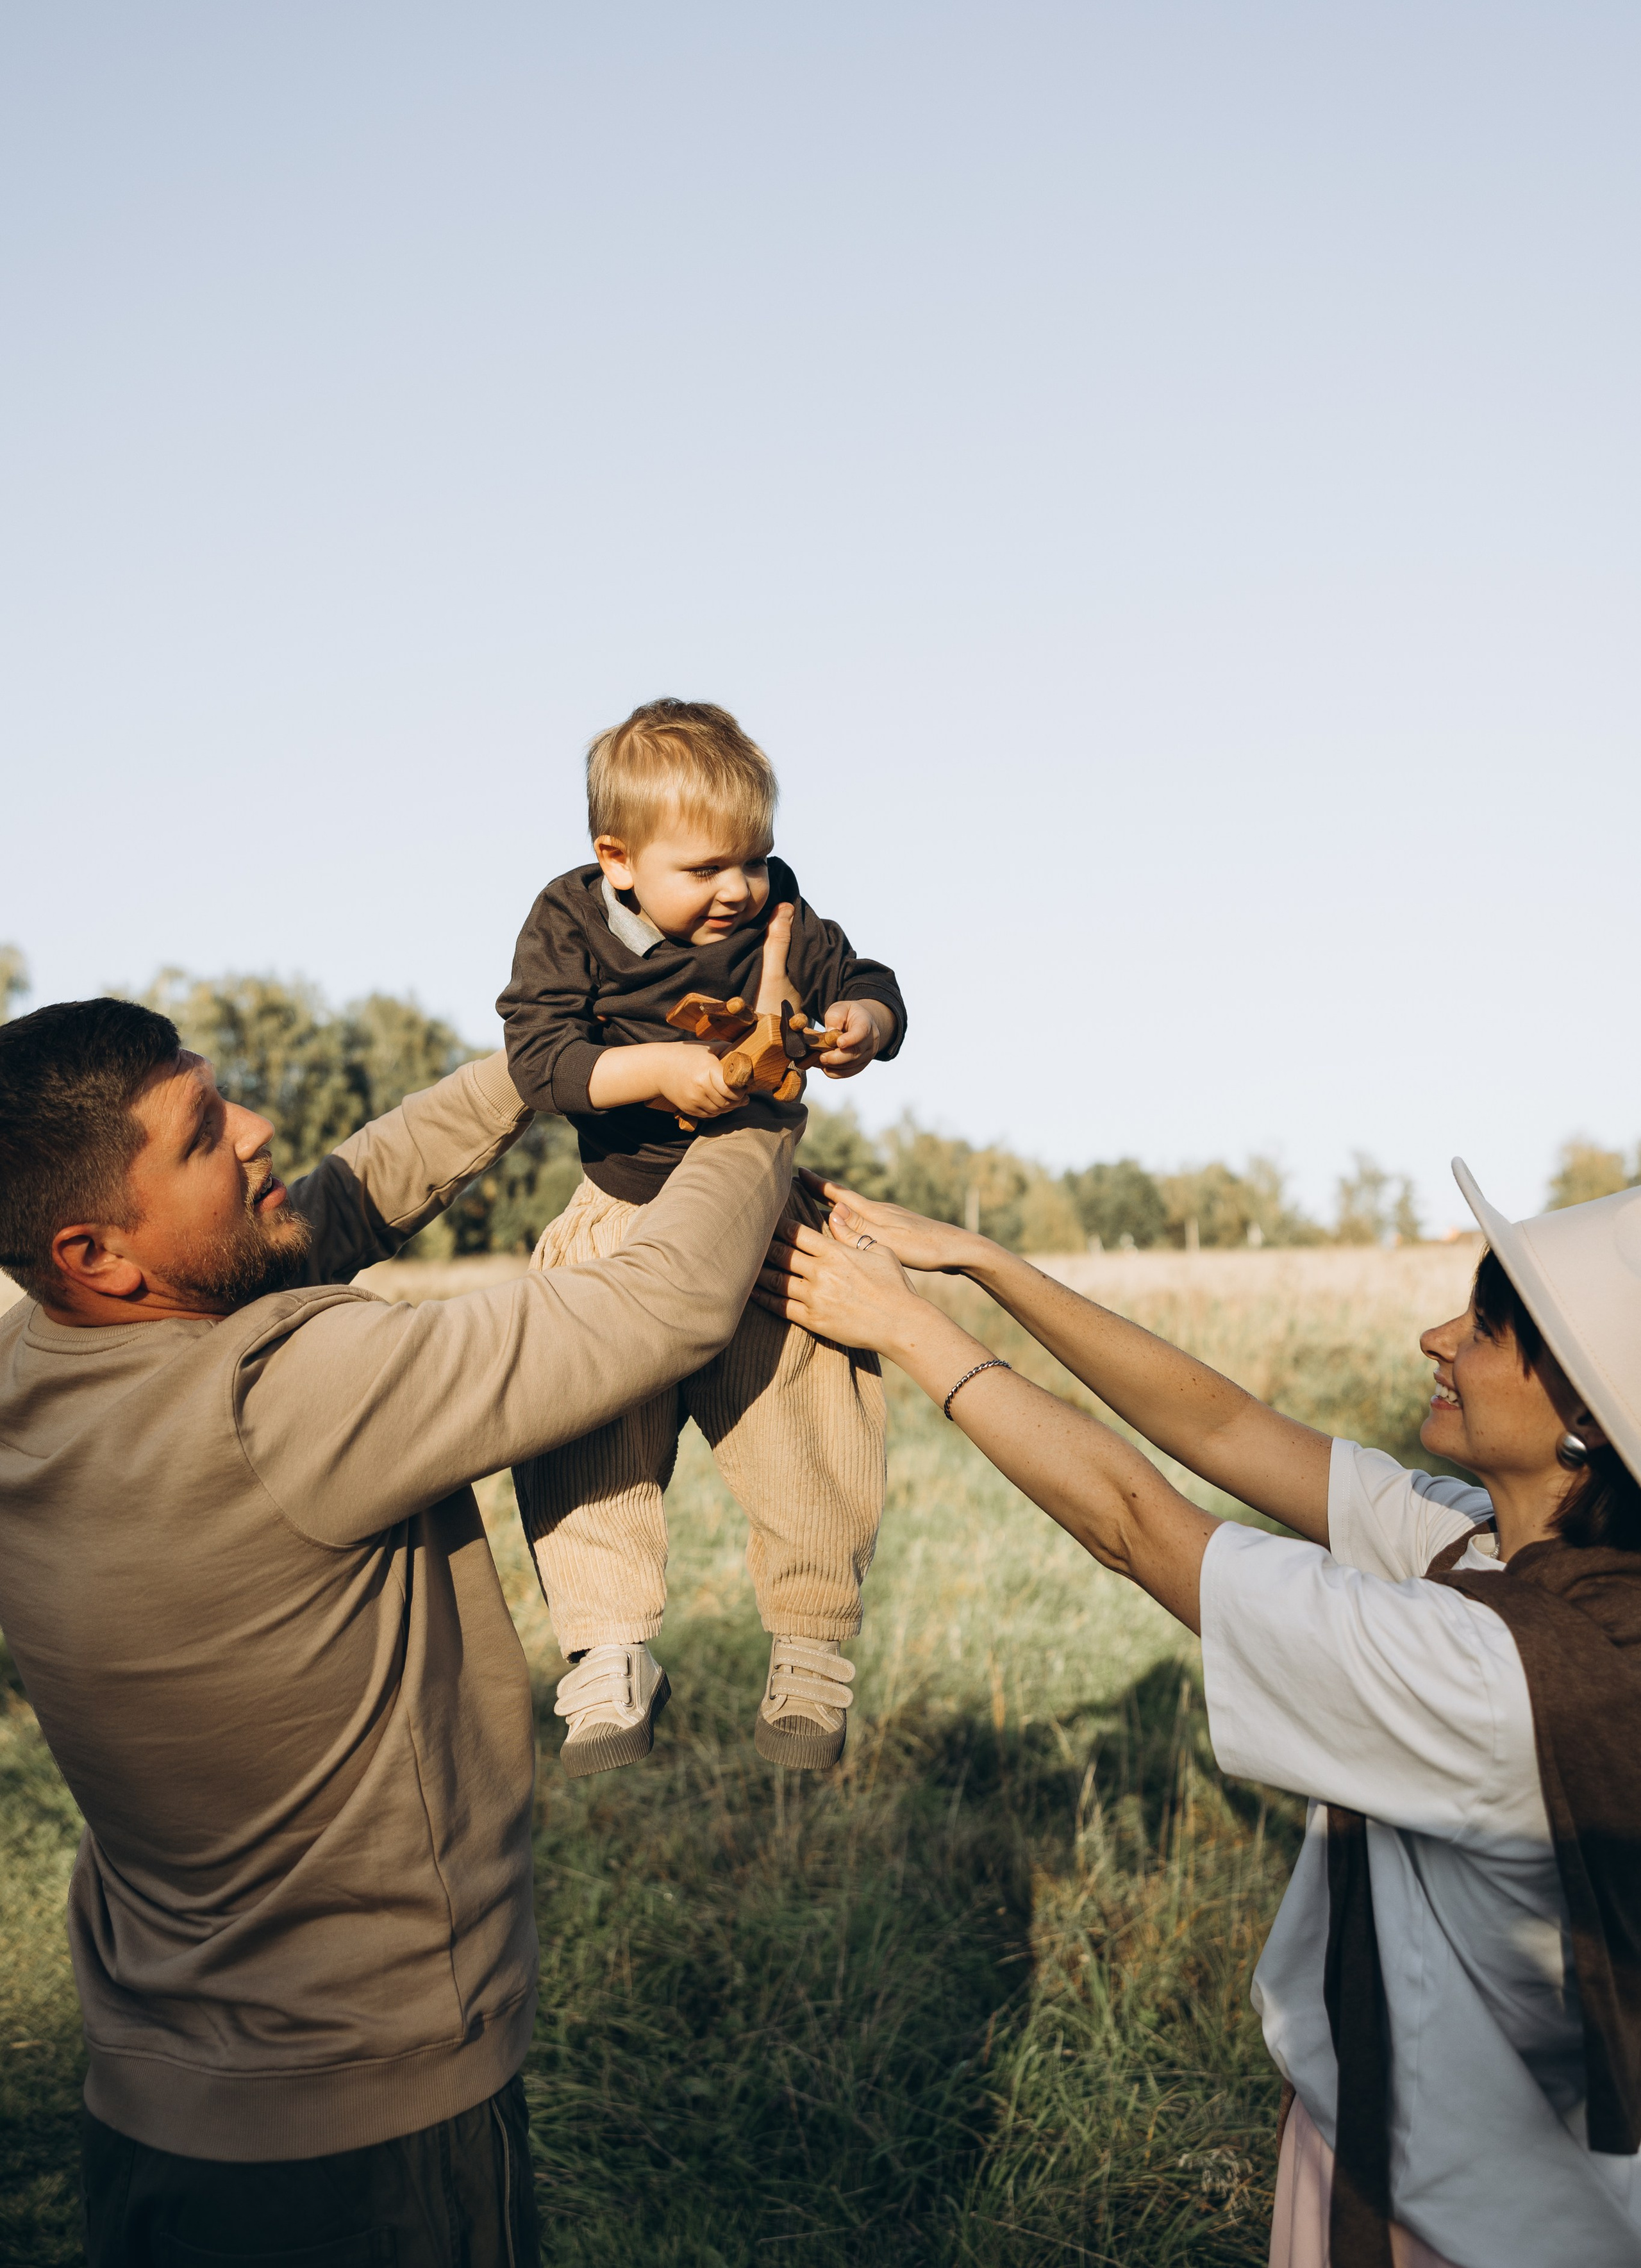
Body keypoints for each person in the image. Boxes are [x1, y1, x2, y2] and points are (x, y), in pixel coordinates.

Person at [0, 995, 797, 2266]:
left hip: (149, 2107)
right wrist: (764, 1086)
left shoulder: (33, 1369)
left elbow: (337, 1207)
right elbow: (663, 1304)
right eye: (203, 1134)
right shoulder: (282, 1396)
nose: (256, 1128)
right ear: (95, 1251)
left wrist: (554, 1070)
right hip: (367, 2132)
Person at [757, 1160, 1641, 2267]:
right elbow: (1223, 1426)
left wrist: (907, 1329)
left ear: (1587, 1415)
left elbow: (1135, 1524)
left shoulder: (1491, 1664)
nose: (1438, 1337)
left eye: (1487, 1327)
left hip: (1450, 2211)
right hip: (1402, 2143)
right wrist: (982, 1261)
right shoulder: (1493, 1548)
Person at [498, 699, 904, 1778]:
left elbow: (867, 980)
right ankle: (607, 1651)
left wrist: (863, 1026)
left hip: (761, 1219)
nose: (738, 888)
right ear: (618, 861)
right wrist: (657, 1071)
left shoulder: (776, 919)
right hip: (622, 1218)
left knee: (804, 1414)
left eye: (755, 860)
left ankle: (811, 1645)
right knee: (587, 1430)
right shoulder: (569, 921)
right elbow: (540, 1059)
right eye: (707, 868)